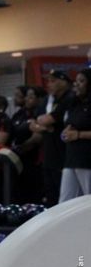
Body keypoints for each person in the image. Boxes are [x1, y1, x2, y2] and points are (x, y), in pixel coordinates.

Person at [30, 70, 76, 206]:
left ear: (64, 82)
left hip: (63, 153)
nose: (49, 84)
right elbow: (34, 122)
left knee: (63, 194)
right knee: (50, 192)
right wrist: (43, 126)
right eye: (48, 81)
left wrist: (43, 124)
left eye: (53, 81)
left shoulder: (69, 98)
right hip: (48, 153)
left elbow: (49, 119)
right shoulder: (47, 100)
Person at [59, 68, 91, 202]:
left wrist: (78, 135)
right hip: (71, 159)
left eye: (81, 81)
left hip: (88, 160)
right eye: (76, 81)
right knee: (65, 201)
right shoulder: (75, 103)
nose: (76, 84)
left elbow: (77, 132)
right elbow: (68, 128)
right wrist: (65, 134)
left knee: (88, 200)